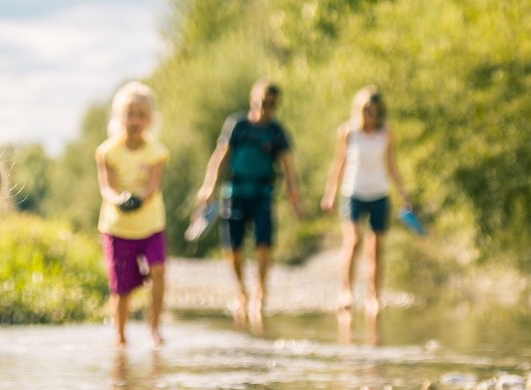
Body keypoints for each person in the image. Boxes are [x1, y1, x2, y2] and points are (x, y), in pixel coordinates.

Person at [194, 80, 305, 323]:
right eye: (263, 102)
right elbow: (221, 156)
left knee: (264, 243)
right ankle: (242, 291)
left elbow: (288, 165)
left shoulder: (277, 131)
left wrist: (295, 196)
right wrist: (208, 187)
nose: (267, 107)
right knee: (233, 247)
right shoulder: (238, 125)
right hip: (234, 192)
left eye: (272, 104)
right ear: (253, 99)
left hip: (263, 192)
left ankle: (261, 292)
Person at [321, 86, 413, 313]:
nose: (372, 116)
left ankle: (374, 295)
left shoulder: (386, 132)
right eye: (367, 111)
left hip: (379, 192)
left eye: (376, 111)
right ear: (360, 110)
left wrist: (403, 193)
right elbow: (339, 163)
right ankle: (346, 291)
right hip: (353, 192)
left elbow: (392, 164)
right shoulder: (348, 132)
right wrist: (330, 193)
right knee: (353, 241)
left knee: (377, 246)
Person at [95, 82, 169, 348]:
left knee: (159, 272)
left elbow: (152, 186)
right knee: (121, 287)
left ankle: (155, 328)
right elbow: (107, 187)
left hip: (151, 225)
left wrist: (140, 199)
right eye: (130, 114)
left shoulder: (157, 152)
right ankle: (121, 336)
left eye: (141, 114)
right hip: (118, 228)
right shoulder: (107, 151)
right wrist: (121, 200)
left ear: (150, 119)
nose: (135, 120)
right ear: (119, 117)